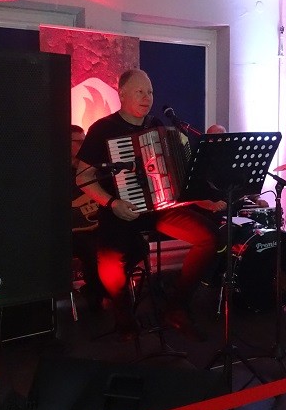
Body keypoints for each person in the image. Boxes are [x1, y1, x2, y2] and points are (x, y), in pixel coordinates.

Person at [76, 69, 221, 340]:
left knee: (209, 237)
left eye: (150, 92)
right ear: (122, 94)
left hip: (159, 208)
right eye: (140, 91)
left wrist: (203, 200)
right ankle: (124, 318)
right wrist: (112, 202)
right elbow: (83, 178)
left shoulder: (157, 125)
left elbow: (177, 176)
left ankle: (176, 306)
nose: (147, 97)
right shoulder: (103, 129)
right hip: (121, 210)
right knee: (110, 262)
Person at [70, 125, 105, 309]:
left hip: (98, 225)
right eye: (79, 142)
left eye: (85, 141)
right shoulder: (55, 173)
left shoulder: (93, 169)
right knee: (92, 250)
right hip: (75, 231)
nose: (84, 146)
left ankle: (106, 289)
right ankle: (96, 293)